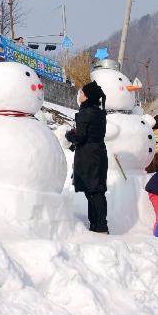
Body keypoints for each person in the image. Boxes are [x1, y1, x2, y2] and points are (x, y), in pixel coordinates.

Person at [66, 81, 108, 233]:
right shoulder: (99, 112)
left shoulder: (86, 113)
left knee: (93, 192)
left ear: (88, 96)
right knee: (96, 191)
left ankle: (99, 226)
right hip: (98, 153)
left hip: (89, 156)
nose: (80, 95)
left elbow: (80, 137)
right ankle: (98, 225)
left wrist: (69, 134)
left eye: (82, 93)